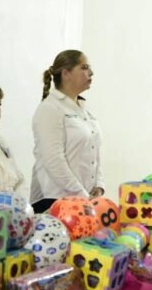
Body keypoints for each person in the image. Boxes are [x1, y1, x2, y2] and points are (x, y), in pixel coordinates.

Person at [30, 49, 104, 213]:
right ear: (66, 73)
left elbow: (95, 153)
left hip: (84, 200)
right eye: (84, 67)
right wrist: (82, 195)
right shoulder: (50, 109)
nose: (91, 73)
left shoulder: (83, 109)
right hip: (54, 201)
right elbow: (54, 161)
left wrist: (99, 187)